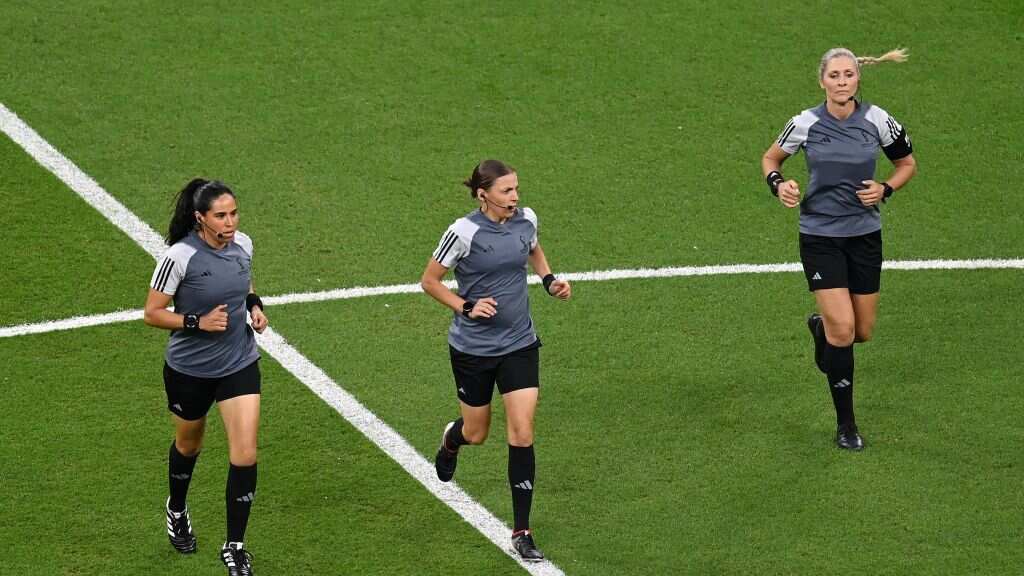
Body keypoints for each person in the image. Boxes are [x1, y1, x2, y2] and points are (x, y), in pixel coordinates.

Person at [761, 48, 917, 450]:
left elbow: (907, 164)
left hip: (865, 236)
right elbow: (771, 158)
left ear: (858, 79)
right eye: (835, 75)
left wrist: (885, 188)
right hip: (820, 236)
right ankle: (846, 426)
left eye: (849, 74)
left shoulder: (878, 120)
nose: (842, 81)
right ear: (822, 81)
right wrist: (780, 184)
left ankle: (820, 328)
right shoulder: (805, 123)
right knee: (844, 331)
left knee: (861, 331)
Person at [421, 160, 572, 562]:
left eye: (517, 189)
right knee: (477, 432)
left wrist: (548, 280)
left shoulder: (526, 220)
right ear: (482, 194)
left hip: (520, 343)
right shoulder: (463, 232)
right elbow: (430, 281)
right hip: (473, 350)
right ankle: (452, 442)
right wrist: (465, 305)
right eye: (507, 191)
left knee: (522, 430)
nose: (516, 197)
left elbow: (534, 248)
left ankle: (522, 530)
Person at [143, 178, 268, 575]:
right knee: (189, 444)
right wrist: (196, 321)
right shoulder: (179, 257)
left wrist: (254, 305)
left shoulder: (243, 244)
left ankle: (234, 547)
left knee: (245, 453)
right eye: (221, 216)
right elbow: (153, 313)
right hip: (190, 370)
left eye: (233, 213)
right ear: (200, 218)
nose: (230, 223)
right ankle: (176, 509)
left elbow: (242, 279)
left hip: (239, 361)